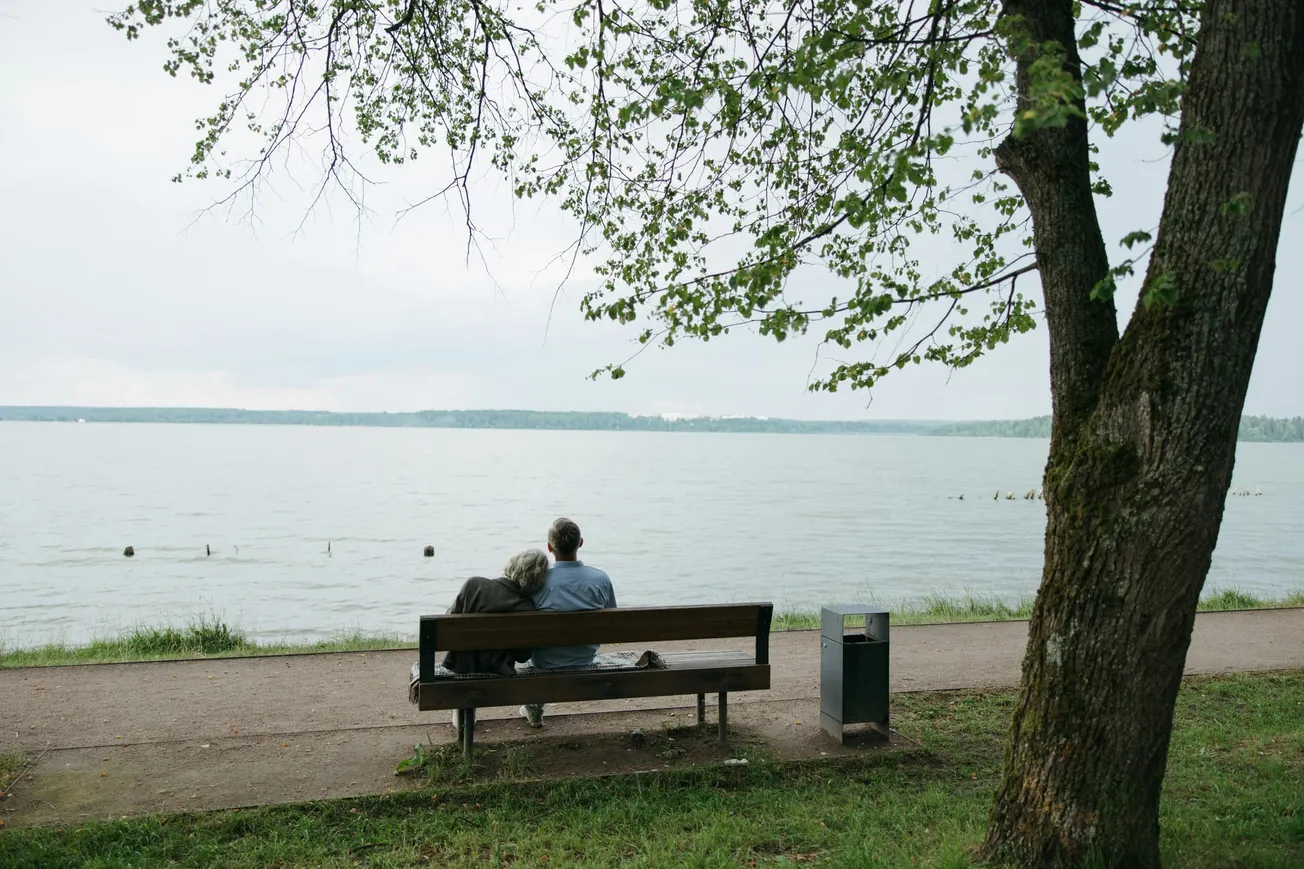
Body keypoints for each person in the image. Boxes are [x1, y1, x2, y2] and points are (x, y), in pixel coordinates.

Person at [520, 517, 617, 727]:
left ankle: (534, 707)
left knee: (530, 654)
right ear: (580, 543)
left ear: (549, 548)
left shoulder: (538, 581)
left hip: (544, 662)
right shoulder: (600, 579)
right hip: (585, 657)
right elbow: (613, 620)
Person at [443, 548, 550, 737]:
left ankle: (463, 713)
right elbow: (522, 656)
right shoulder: (527, 608)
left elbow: (446, 626)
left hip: (461, 666)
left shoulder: (474, 585)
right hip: (499, 673)